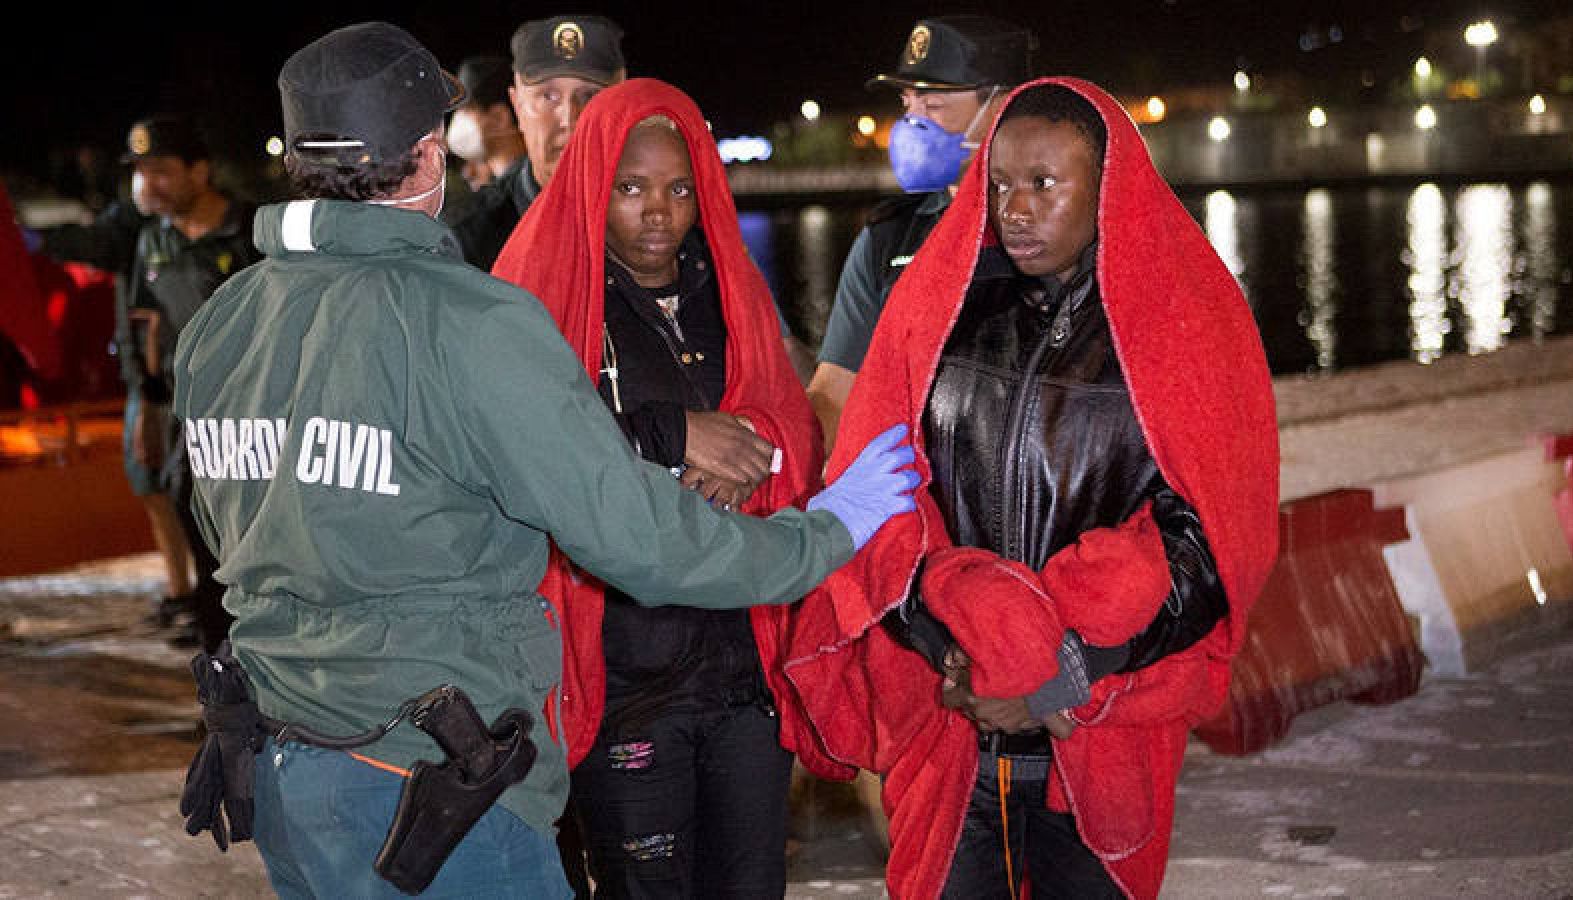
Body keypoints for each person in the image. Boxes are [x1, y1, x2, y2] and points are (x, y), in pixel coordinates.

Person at [171, 21, 919, 898]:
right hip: (432, 785)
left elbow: (222, 526)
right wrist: (827, 532)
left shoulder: (222, 321)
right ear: (425, 160)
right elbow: (639, 541)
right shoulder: (470, 321)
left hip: (284, 765)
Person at [783, 78, 1281, 899]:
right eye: (1002, 183)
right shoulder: (942, 316)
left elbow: (1215, 541)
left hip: (1098, 720)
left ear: (1108, 185)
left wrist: (1062, 676)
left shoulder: (1185, 324)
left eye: (1045, 184)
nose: (1016, 208)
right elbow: (882, 497)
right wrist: (950, 648)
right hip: (949, 722)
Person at [492, 78, 834, 897]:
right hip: (624, 674)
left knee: (752, 885)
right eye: (632, 189)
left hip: (742, 662)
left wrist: (752, 449)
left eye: (681, 188)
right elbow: (509, 447)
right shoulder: (536, 297)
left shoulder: (731, 292)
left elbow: (793, 423)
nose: (659, 212)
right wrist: (670, 433)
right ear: (590, 186)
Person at [32, 116, 256, 646]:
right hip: (188, 422)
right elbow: (144, 324)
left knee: (249, 545)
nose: (146, 184)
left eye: (161, 170)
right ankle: (218, 662)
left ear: (200, 171)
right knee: (196, 532)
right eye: (138, 172)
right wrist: (148, 406)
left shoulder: (251, 232)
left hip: (254, 420)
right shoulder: (150, 240)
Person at [807, 15, 1034, 451]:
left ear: (1003, 107)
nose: (911, 123)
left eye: (933, 106)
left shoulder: (1056, 237)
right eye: (909, 103)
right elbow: (835, 390)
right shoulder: (887, 239)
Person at [447, 14, 625, 270]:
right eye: (549, 96)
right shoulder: (470, 244)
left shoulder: (661, 226)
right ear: (517, 106)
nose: (569, 119)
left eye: (591, 96)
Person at [446, 55, 524, 191]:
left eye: (466, 110)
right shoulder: (503, 190)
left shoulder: (528, 189)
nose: (458, 120)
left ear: (499, 118)